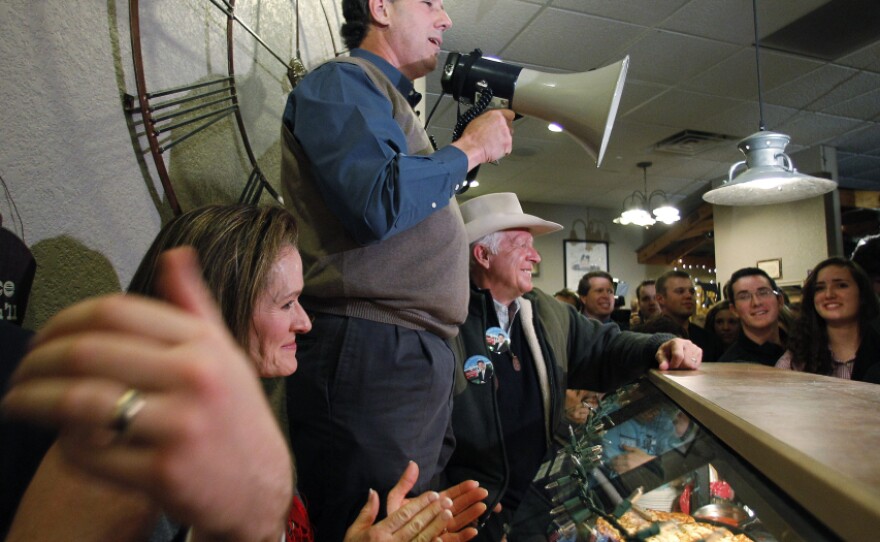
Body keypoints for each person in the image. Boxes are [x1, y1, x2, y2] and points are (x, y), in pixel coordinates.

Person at [3, 206, 485, 542]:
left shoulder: (235, 422)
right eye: (286, 303)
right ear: (214, 307)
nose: (306, 322)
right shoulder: (139, 453)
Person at [279, 1, 516, 535]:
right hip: (373, 347)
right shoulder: (342, 82)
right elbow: (377, 200)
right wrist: (468, 149)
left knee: (409, 525)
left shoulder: (386, 104)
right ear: (380, 6)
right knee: (375, 522)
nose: (446, 19)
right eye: (430, 2)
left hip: (401, 352)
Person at [441, 193, 703, 540]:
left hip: (537, 503)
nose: (534, 256)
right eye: (522, 245)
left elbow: (606, 346)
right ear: (483, 254)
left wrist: (659, 346)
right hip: (466, 513)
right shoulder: (444, 322)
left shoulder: (546, 312)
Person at [777, 257, 880, 383]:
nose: (829, 295)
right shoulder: (794, 361)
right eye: (820, 288)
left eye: (841, 285)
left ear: (862, 293)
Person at [634, 270, 721, 361]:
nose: (689, 296)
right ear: (660, 299)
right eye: (680, 291)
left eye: (691, 291)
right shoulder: (642, 337)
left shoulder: (709, 340)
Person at [717, 267, 787, 365]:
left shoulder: (802, 348)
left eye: (763, 293)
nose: (756, 302)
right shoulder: (731, 366)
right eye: (744, 297)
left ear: (779, 300)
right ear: (734, 310)